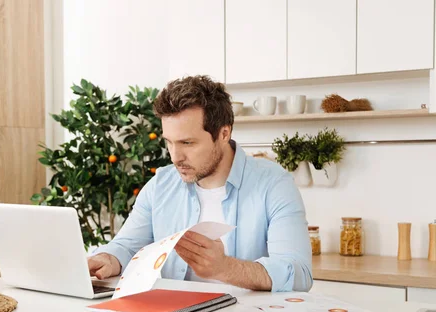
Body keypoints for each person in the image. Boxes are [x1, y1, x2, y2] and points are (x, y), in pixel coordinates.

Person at [88, 75, 312, 292]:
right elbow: (126, 246)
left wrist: (226, 268)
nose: (175, 157)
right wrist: (108, 258)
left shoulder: (274, 184)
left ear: (224, 133)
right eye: (169, 142)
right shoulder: (160, 186)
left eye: (187, 143)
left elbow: (299, 274)